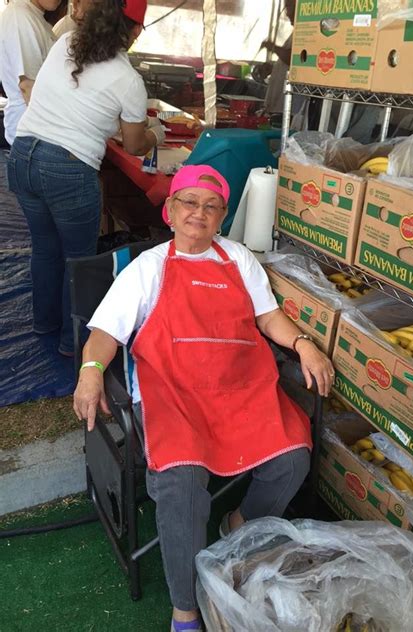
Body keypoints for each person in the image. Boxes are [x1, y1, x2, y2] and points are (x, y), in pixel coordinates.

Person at [73, 164, 335, 632]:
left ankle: (238, 522)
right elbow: (104, 335)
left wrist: (303, 344)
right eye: (190, 203)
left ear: (222, 217)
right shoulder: (147, 268)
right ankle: (185, 609)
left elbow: (269, 317)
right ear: (170, 210)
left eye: (212, 206)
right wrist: (91, 372)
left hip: (241, 388)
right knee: (182, 483)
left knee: (293, 457)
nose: (200, 213)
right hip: (173, 394)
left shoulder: (238, 259)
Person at [7, 0, 165, 357]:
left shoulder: (66, 44)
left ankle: (44, 325)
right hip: (66, 167)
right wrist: (156, 133)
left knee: (45, 248)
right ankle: (71, 344)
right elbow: (136, 143)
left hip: (22, 156)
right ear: (135, 31)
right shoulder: (128, 80)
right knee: (77, 258)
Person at [0, 0, 59, 146]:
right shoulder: (20, 17)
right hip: (32, 137)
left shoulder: (34, 16)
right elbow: (27, 87)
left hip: (38, 134)